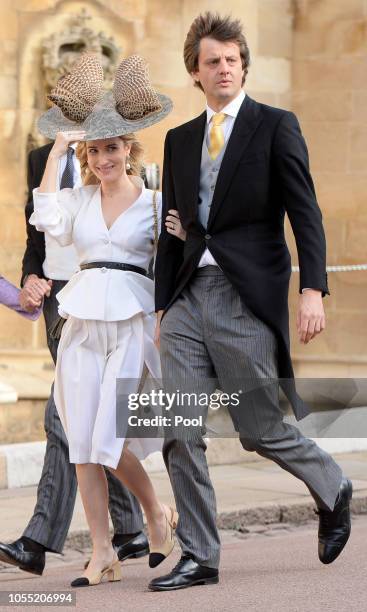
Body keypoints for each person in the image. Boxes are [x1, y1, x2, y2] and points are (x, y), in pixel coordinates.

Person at [151, 12, 352, 591]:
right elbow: (174, 228)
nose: (223, 69)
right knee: (178, 426)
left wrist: (312, 289)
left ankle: (332, 483)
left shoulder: (275, 125)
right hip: (189, 299)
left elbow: (305, 213)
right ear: (196, 71)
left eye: (232, 59)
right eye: (212, 61)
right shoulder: (179, 139)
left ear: (243, 64)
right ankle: (201, 554)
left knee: (259, 428)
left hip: (245, 299)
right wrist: (164, 304)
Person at [29, 53, 185, 588]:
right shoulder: (77, 199)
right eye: (94, 150)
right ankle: (102, 552)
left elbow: (176, 263)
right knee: (81, 442)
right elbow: (45, 216)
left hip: (134, 319)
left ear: (129, 149)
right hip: (82, 317)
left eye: (112, 147)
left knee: (109, 437)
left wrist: (168, 316)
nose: (103, 158)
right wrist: (60, 142)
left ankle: (156, 513)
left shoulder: (156, 201)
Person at [0, 148, 148, 575]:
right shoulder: (39, 157)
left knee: (65, 417)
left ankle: (40, 538)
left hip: (111, 295)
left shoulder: (114, 153)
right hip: (59, 300)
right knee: (78, 415)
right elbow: (36, 235)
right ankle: (129, 528)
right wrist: (29, 276)